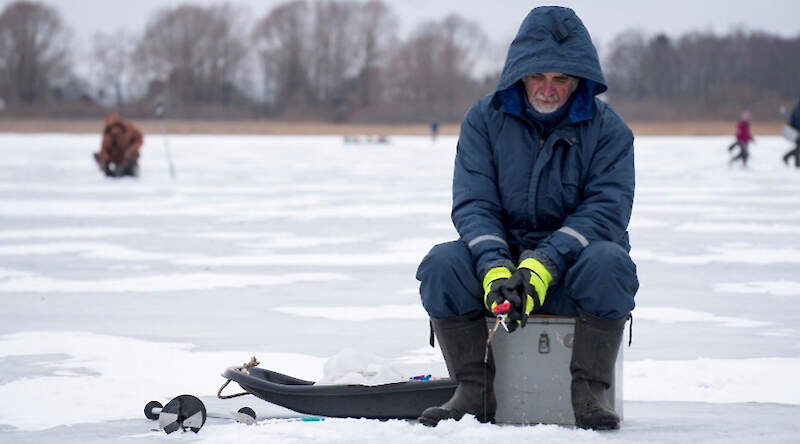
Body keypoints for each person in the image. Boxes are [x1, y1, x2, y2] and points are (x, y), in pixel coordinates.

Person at [415, 6, 638, 430]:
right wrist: (496, 268)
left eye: (562, 79)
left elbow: (605, 213)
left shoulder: (610, 131)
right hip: (500, 277)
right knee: (442, 264)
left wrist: (541, 267)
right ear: (519, 74)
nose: (549, 90)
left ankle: (590, 393)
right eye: (539, 76)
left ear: (580, 81)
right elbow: (473, 204)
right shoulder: (484, 120)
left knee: (611, 264)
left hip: (574, 277)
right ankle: (473, 391)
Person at [93, 113, 143, 177]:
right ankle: (110, 173)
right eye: (113, 127)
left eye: (116, 127)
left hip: (128, 157)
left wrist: (132, 149)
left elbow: (139, 140)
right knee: (116, 171)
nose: (115, 130)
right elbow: (104, 149)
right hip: (116, 159)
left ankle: (130, 170)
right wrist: (102, 159)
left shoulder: (130, 129)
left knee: (130, 162)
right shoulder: (107, 135)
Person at [782, 99, 800, 168]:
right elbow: (797, 121)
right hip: (796, 131)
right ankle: (796, 163)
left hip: (795, 130)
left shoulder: (797, 107)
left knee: (798, 147)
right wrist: (799, 131)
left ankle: (787, 158)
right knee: (799, 147)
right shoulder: (798, 109)